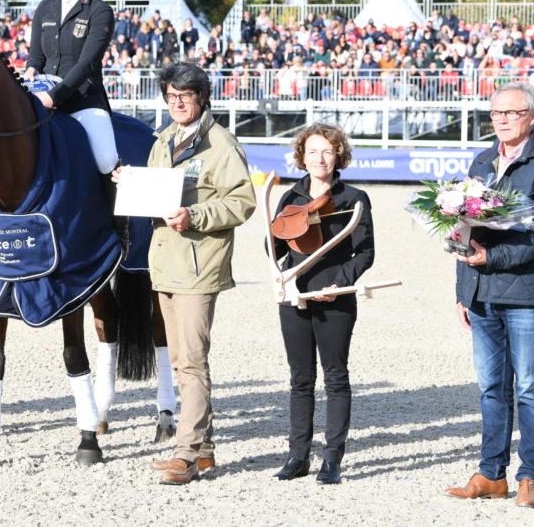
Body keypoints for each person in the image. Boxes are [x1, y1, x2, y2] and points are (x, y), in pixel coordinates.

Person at [117, 62, 255, 485]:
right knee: (180, 362)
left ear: (202, 98)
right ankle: (206, 449)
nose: (177, 103)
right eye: (171, 96)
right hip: (166, 264)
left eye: (185, 96)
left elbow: (243, 201)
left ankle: (186, 451)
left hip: (200, 264)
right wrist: (129, 182)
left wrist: (196, 214)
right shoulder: (162, 141)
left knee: (193, 363)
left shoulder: (221, 144)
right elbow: (154, 193)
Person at [445, 82, 534, 509]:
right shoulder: (482, 161)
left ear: (532, 116)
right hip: (481, 294)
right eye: (495, 113)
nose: (500, 119)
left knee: (531, 388)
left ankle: (529, 477)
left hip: (527, 293)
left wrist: (492, 258)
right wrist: (464, 290)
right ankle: (491, 473)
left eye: (510, 113)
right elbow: (466, 228)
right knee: (491, 388)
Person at [270, 123, 374, 485]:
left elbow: (365, 253)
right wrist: (280, 236)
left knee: (335, 377)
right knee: (300, 380)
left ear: (338, 155)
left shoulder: (354, 198)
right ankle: (298, 456)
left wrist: (339, 283)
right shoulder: (290, 198)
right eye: (313, 151)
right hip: (294, 297)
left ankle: (332, 459)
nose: (320, 158)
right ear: (302, 156)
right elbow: (276, 250)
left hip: (335, 299)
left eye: (327, 151)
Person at [25, 0, 118, 175]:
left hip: (83, 100)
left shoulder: (99, 11)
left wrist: (54, 97)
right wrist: (31, 70)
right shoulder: (44, 9)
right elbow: (36, 56)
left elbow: (87, 63)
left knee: (106, 161)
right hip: (43, 98)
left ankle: (117, 215)